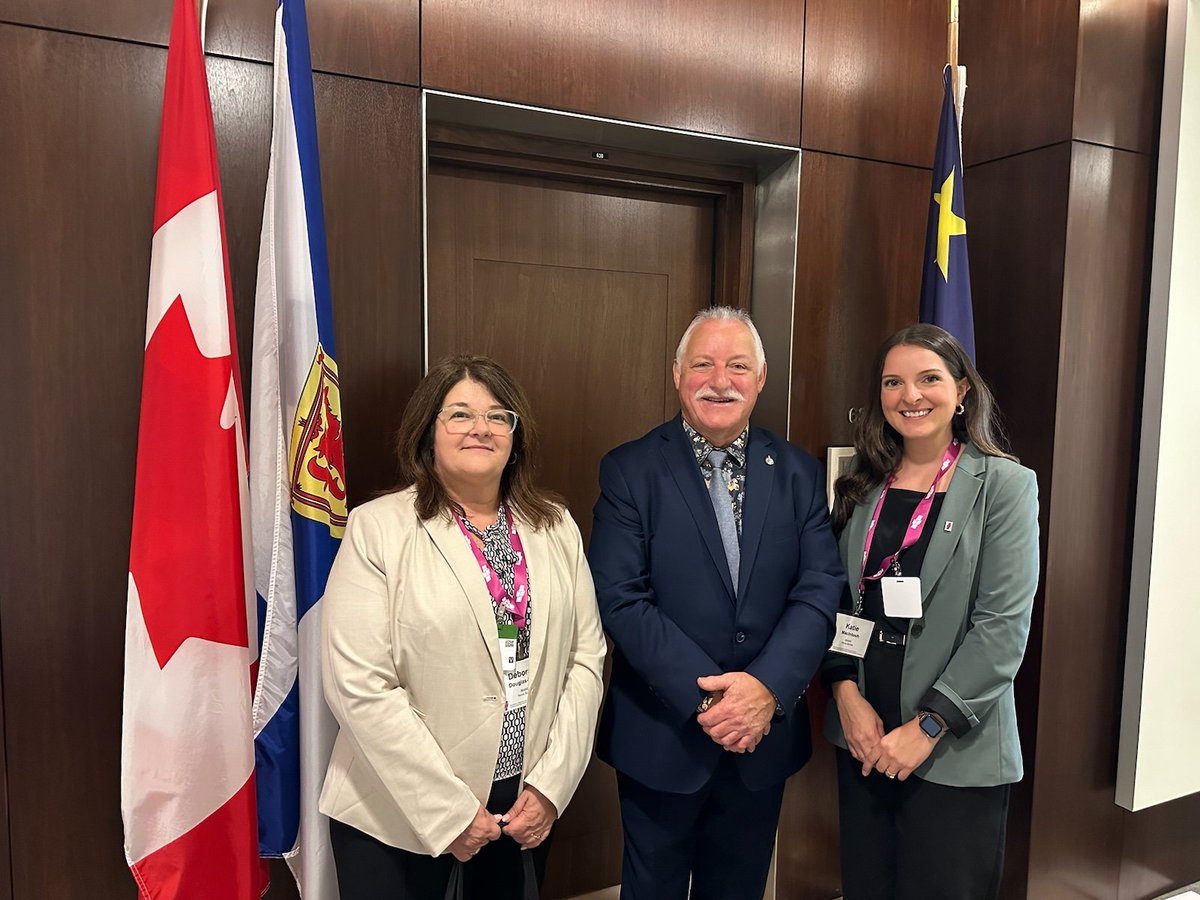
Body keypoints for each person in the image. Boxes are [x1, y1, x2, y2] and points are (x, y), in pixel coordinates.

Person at [319, 355, 606, 899]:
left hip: (518, 810)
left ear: (516, 438)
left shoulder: (555, 525)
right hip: (399, 816)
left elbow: (584, 658)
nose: (482, 428)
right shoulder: (377, 529)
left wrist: (550, 788)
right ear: (428, 433)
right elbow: (359, 684)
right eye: (460, 414)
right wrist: (447, 811)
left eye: (500, 416)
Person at [589, 307, 845, 899]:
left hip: (764, 736)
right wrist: (713, 702)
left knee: (738, 888)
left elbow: (819, 589)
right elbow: (621, 598)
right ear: (676, 374)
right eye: (703, 364)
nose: (719, 380)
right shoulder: (630, 470)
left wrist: (764, 690)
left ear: (760, 378)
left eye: (737, 366)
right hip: (662, 733)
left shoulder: (799, 474)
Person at [823, 323, 1040, 900]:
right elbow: (845, 604)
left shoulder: (1004, 485)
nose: (909, 395)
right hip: (866, 739)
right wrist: (846, 695)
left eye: (928, 379)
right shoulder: (861, 486)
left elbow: (1002, 629)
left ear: (963, 390)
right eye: (893, 382)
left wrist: (927, 727)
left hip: (952, 748)